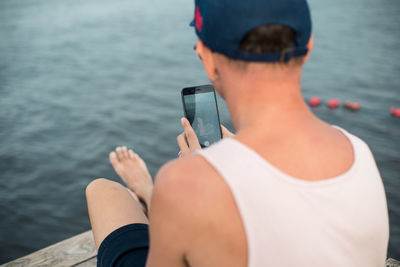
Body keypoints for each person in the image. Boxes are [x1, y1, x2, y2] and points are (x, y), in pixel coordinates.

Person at [86, 0, 390, 266]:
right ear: (308, 46)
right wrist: (228, 161)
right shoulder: (359, 150)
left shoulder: (185, 181)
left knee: (104, 192)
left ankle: (150, 196)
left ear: (206, 57)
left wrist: (202, 175)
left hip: (192, 196)